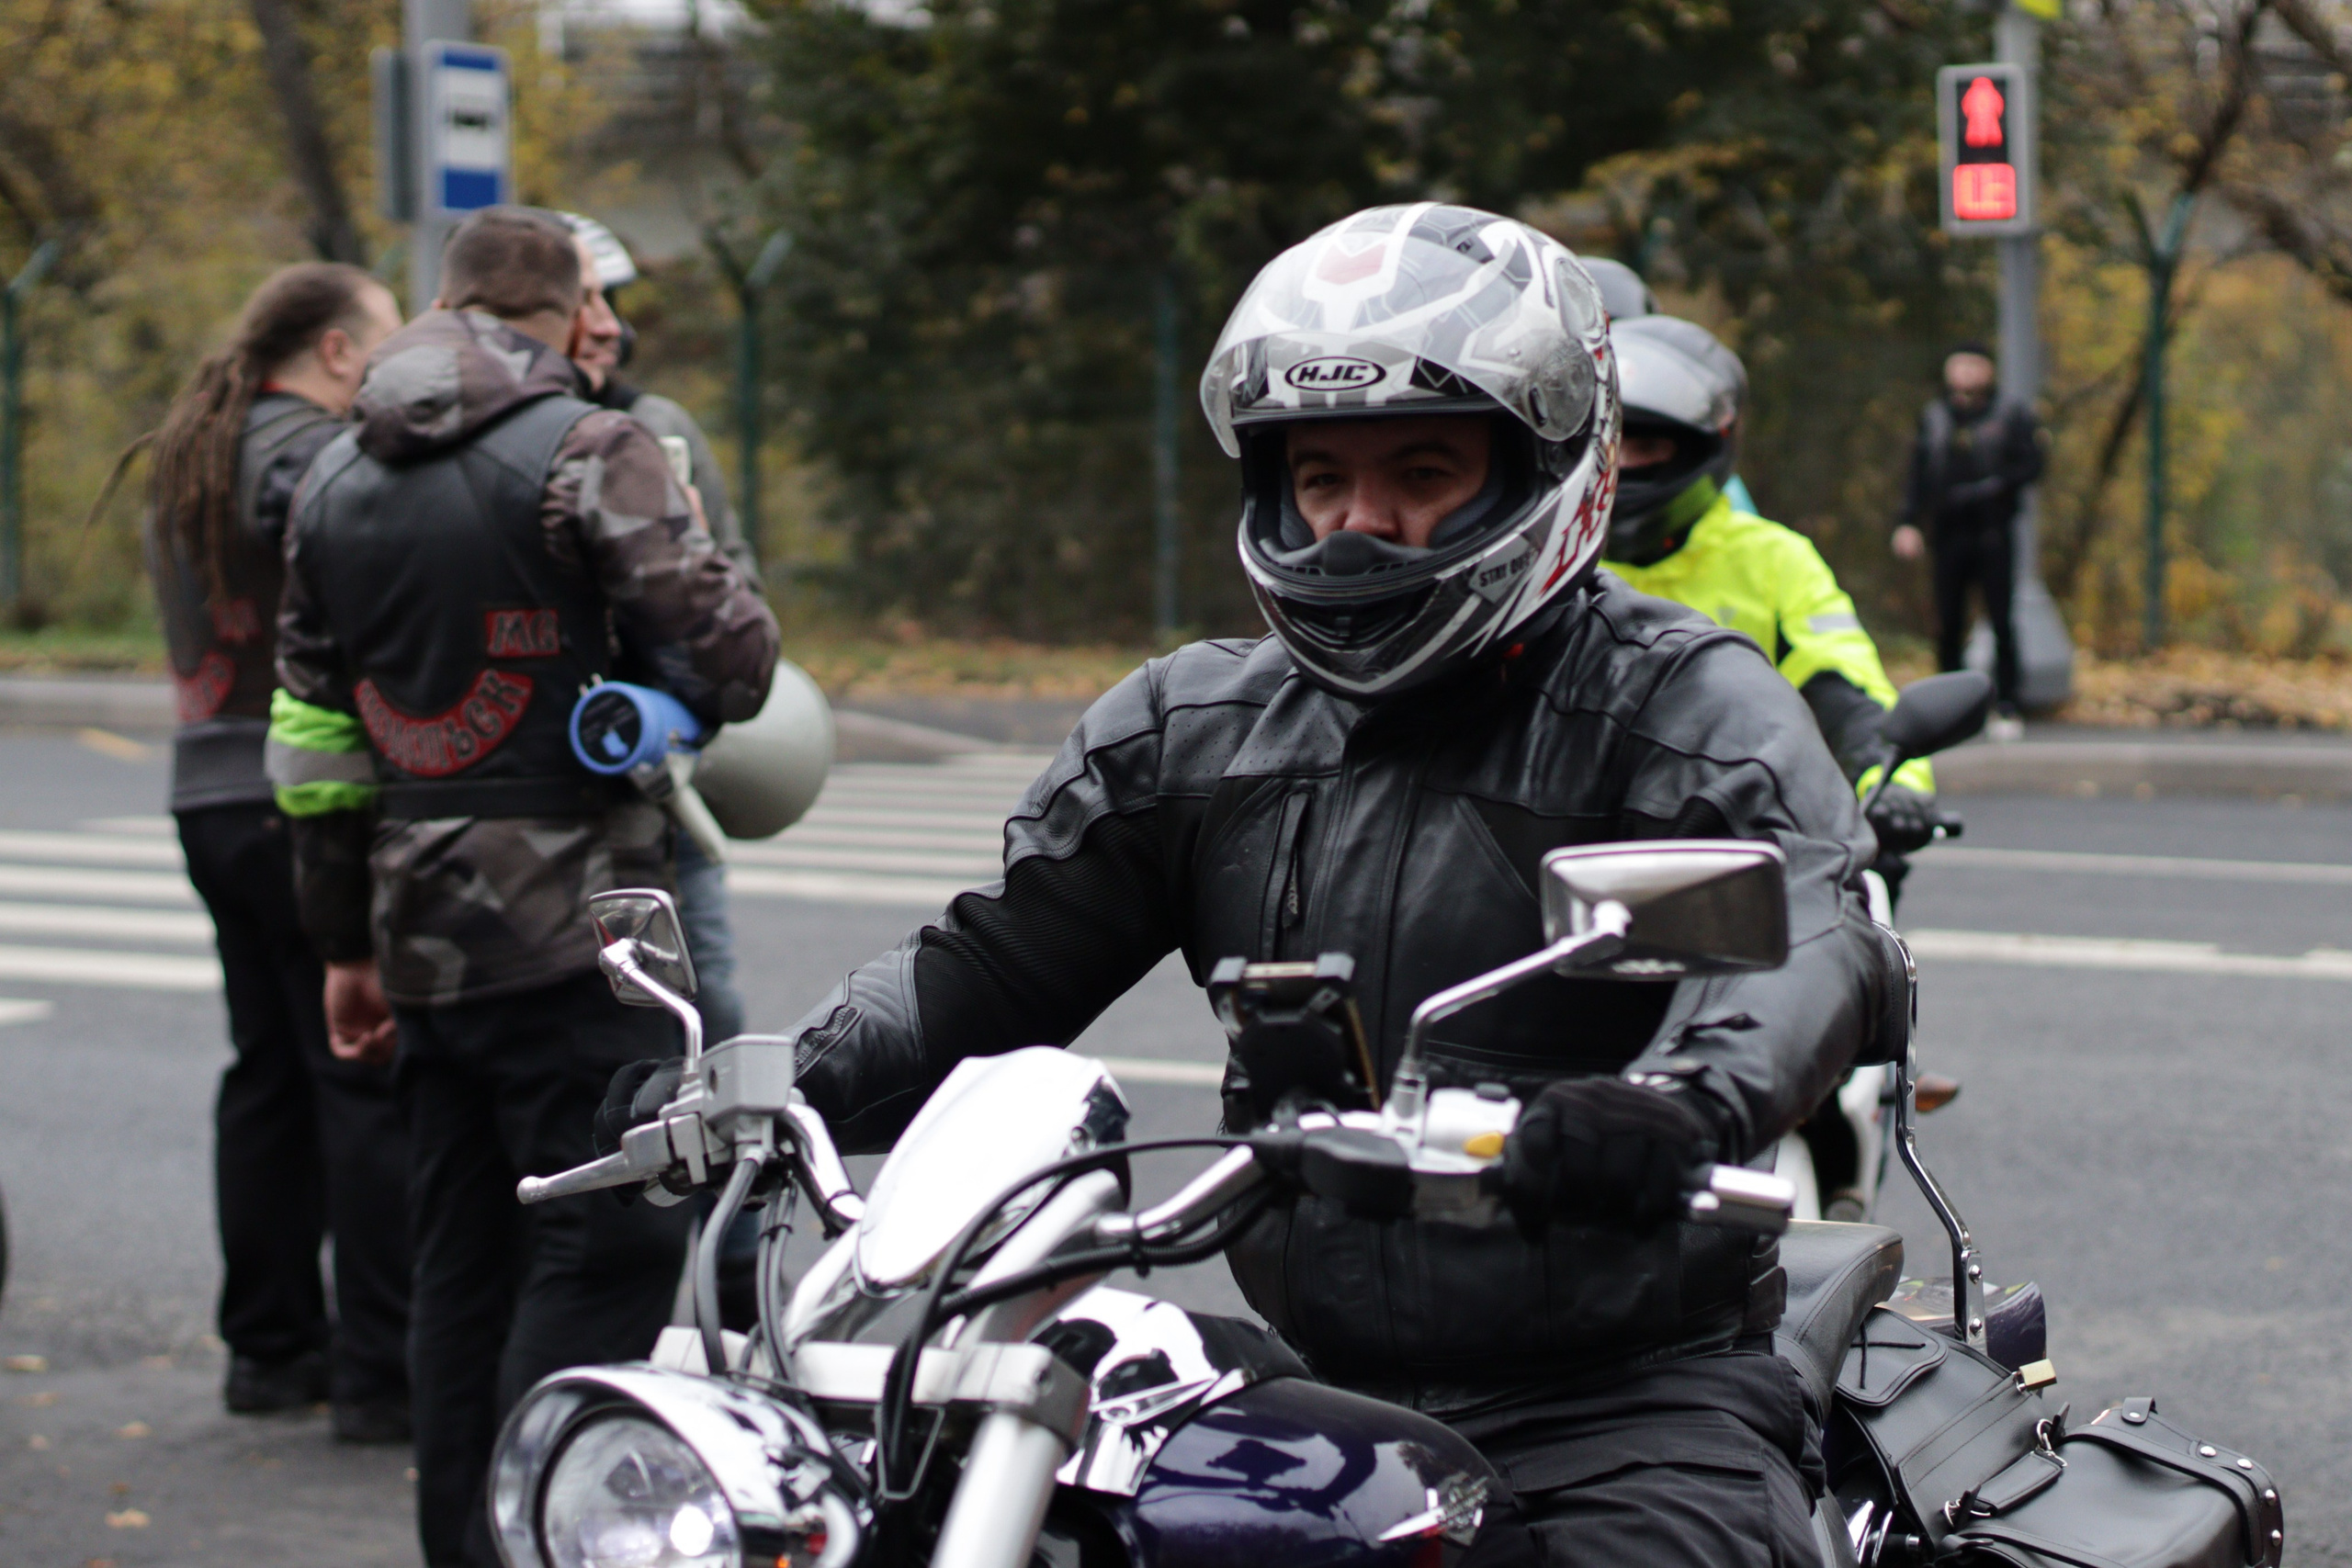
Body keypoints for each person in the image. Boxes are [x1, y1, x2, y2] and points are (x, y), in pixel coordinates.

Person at [624, 207, 1895, 1564]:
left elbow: (1818, 933)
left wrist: (1683, 1101)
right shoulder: (1194, 727)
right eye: (1321, 476)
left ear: (1541, 468)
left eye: (1422, 469)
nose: (1359, 523)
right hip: (1315, 1370)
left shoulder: (1679, 700)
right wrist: (775, 1082)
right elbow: (983, 970)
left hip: (1626, 1395)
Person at [266, 207, 780, 1567]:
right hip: (587, 939)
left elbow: (313, 744)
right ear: (559, 314)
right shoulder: (586, 446)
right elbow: (734, 658)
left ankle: (462, 1545)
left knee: (460, 1268)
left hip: (420, 938)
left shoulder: (328, 476)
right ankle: (544, 1543)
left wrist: (343, 944)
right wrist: (657, 689)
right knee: (600, 1255)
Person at [141, 262, 414, 1440]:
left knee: (267, 1074)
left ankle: (270, 1350)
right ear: (339, 353)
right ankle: (378, 1373)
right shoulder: (301, 453)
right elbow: (346, 563)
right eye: (388, 345)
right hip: (291, 797)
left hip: (206, 793)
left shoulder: (193, 448)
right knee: (356, 1077)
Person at [1600, 314, 1939, 890]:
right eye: (1613, 444)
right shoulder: (1554, 559)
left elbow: (1841, 678)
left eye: (1649, 445)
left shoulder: (1774, 559)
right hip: (1565, 840)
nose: (1627, 464)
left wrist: (1894, 781)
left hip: (1744, 847)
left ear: (1710, 444)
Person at [559, 210, 754, 1047]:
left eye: (613, 301)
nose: (607, 328)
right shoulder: (521, 444)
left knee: (706, 1009)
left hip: (664, 782)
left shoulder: (664, 429)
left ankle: (709, 1174)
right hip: (556, 805)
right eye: (584, 304)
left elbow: (742, 589)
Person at [1894, 343, 2044, 737]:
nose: (1965, 373)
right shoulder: (1936, 417)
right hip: (1948, 531)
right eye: (1958, 365)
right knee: (1948, 620)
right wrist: (1908, 522)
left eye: (1974, 366)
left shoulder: (2009, 415)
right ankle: (1949, 710)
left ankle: (2008, 703)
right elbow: (1918, 473)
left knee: (2000, 618)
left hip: (1992, 530)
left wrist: (1993, 491)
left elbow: (2031, 465)